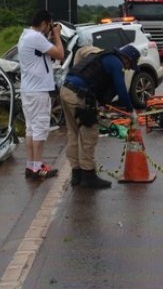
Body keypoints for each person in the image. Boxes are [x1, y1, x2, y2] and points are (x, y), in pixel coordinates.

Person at [60, 43, 141, 189]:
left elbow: (81, 51)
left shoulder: (101, 55)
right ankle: (88, 176)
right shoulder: (117, 64)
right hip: (79, 96)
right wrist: (130, 111)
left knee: (73, 133)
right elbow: (121, 89)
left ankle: (76, 174)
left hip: (66, 90)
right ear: (127, 59)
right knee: (89, 134)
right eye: (130, 65)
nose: (128, 68)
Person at [18, 9, 65, 180]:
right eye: (49, 25)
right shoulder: (36, 37)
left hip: (28, 90)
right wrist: (57, 35)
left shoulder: (26, 36)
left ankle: (31, 166)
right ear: (44, 24)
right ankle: (38, 168)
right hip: (38, 91)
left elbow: (45, 53)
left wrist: (50, 37)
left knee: (31, 129)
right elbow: (60, 54)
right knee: (40, 129)